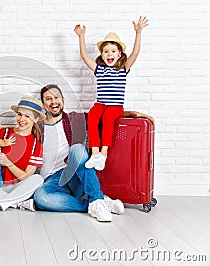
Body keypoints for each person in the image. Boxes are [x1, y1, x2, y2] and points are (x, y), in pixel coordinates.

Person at [34, 84, 153, 222]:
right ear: (43, 104)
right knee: (40, 198)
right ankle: (98, 203)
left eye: (56, 97)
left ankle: (96, 199)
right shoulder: (37, 127)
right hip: (52, 181)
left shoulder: (74, 119)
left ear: (63, 100)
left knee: (77, 149)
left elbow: (100, 117)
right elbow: (21, 135)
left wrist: (131, 114)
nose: (53, 101)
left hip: (74, 175)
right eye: (48, 99)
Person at [74, 16, 149, 170]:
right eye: (106, 51)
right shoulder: (99, 70)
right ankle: (95, 152)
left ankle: (103, 153)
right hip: (100, 104)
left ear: (119, 53)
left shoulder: (123, 69)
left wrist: (138, 33)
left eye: (113, 51)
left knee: (108, 118)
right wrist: (81, 36)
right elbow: (84, 56)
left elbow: (135, 54)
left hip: (115, 106)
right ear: (102, 54)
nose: (109, 54)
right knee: (93, 116)